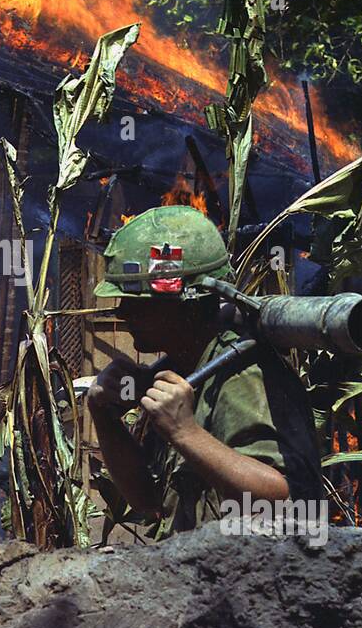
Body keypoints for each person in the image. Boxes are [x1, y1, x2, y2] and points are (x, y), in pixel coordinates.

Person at [86, 204, 289, 537]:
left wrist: (185, 432)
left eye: (138, 301)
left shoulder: (239, 375)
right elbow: (148, 501)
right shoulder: (185, 368)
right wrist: (105, 416)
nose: (124, 313)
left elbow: (280, 500)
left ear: (188, 306)